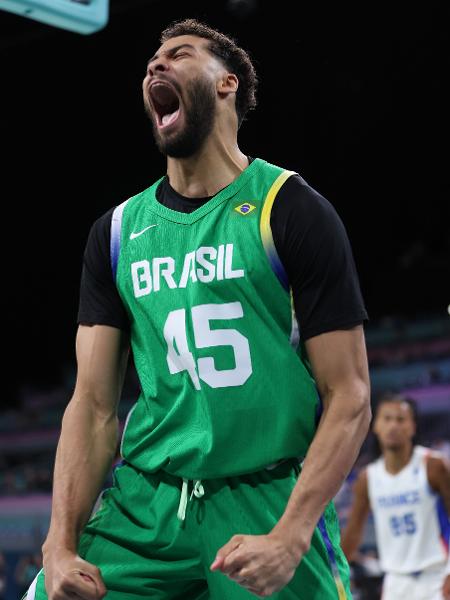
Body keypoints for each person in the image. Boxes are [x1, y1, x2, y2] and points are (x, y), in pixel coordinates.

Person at [25, 18, 371, 600]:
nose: (155, 67)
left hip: (266, 498)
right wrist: (58, 544)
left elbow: (351, 395)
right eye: (151, 62)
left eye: (179, 55)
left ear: (227, 83)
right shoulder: (115, 233)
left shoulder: (290, 209)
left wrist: (291, 536)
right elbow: (91, 405)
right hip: (149, 503)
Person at [341, 393, 450, 600]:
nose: (393, 425)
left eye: (400, 419)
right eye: (387, 419)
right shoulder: (368, 478)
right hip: (395, 582)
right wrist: (336, 572)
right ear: (376, 426)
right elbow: (353, 534)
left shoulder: (433, 466)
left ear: (413, 427)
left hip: (437, 575)